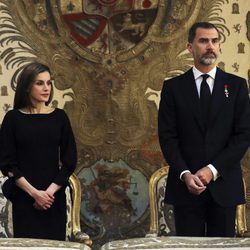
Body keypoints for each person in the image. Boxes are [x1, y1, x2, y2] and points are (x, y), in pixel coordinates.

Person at [158, 22, 250, 237]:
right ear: (190, 47)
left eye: (214, 41)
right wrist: (185, 174)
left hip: (224, 186)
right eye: (203, 40)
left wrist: (212, 170)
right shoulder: (173, 88)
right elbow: (168, 137)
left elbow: (243, 135)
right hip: (186, 189)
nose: (210, 46)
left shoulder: (236, 86)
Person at [0, 62, 77, 240]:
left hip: (53, 199)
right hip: (24, 198)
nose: (46, 88)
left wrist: (48, 193)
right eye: (39, 83)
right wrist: (35, 194)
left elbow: (69, 161)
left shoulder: (60, 117)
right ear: (27, 87)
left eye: (49, 83)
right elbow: (7, 163)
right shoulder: (12, 119)